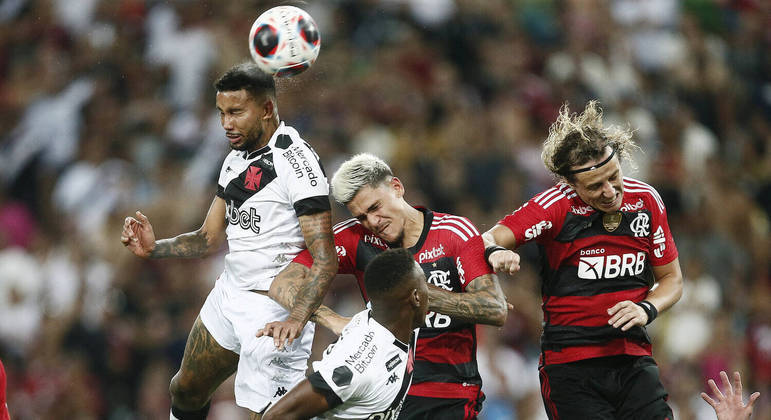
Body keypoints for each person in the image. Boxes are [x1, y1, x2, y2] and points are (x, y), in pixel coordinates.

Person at [120, 62, 338, 419]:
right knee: (185, 390)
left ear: (267, 109)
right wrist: (155, 248)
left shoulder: (297, 165)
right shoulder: (236, 158)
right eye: (221, 113)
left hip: (274, 310)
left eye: (236, 112)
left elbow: (325, 258)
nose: (226, 124)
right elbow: (208, 238)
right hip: (230, 293)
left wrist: (297, 319)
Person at [260, 153, 508, 419]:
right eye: (362, 216)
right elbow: (282, 283)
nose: (373, 222)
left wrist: (416, 294)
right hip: (380, 392)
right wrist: (332, 320)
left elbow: (495, 309)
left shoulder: (454, 233)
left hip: (447, 393)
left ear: (397, 188)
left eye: (376, 207)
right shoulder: (356, 237)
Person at [482, 100, 683, 419]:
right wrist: (497, 251)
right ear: (570, 183)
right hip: (571, 369)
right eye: (595, 186)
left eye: (613, 177)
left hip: (633, 361)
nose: (609, 191)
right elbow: (490, 238)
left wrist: (647, 308)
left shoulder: (646, 200)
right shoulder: (554, 207)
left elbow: (671, 279)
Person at [262, 248, 427, 419]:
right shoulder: (360, 368)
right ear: (416, 297)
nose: (430, 298)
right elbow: (276, 416)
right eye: (426, 289)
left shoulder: (399, 324)